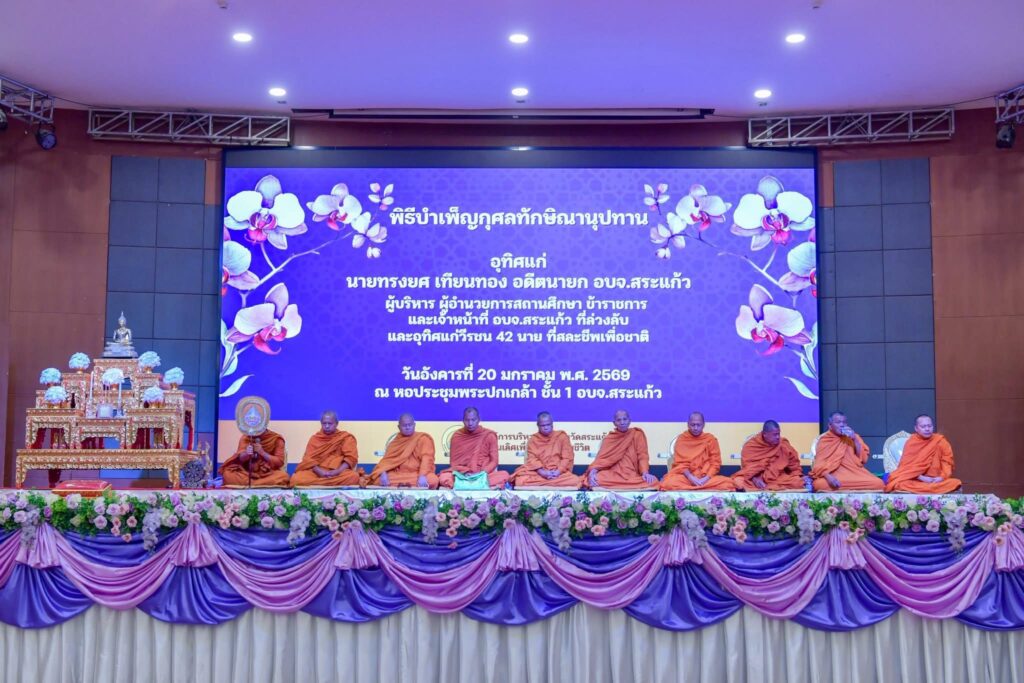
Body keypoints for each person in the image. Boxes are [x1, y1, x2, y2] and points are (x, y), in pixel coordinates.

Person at [884, 415, 962, 494]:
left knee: (955, 482)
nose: (927, 429)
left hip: (935, 480)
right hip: (916, 479)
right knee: (900, 483)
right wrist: (922, 477)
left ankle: (930, 488)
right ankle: (931, 489)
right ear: (916, 428)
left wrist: (941, 477)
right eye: (923, 426)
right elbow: (906, 467)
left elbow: (947, 463)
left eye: (929, 426)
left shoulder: (941, 441)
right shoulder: (911, 443)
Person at [583, 410, 659, 490]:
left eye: (625, 419)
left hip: (631, 475)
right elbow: (601, 460)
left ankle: (621, 486)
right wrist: (592, 473)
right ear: (614, 423)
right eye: (619, 420)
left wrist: (645, 473)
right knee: (596, 479)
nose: (622, 422)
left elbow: (642, 456)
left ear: (629, 421)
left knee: (653, 481)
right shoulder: (609, 439)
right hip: (612, 475)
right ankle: (629, 486)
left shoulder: (637, 435)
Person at [660, 412, 736, 491]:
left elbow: (715, 463)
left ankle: (694, 488)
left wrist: (705, 479)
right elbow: (680, 464)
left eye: (698, 425)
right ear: (688, 424)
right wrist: (691, 478)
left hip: (705, 478)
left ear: (703, 425)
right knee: (668, 483)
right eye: (693, 425)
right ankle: (701, 488)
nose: (695, 428)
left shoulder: (710, 439)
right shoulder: (682, 439)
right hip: (686, 478)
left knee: (728, 483)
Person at [810, 412, 884, 492]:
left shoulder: (854, 437)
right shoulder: (825, 440)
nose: (842, 425)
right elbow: (819, 464)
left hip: (854, 473)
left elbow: (863, 459)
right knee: (819, 484)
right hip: (834, 474)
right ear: (830, 425)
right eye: (838, 422)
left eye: (844, 422)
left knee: (878, 483)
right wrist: (828, 477)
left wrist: (854, 439)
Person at [438, 407, 510, 489]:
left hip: (481, 475)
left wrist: (482, 473)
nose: (470, 423)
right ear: (463, 420)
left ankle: (463, 486)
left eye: (473, 420)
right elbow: (453, 463)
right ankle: (481, 486)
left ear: (478, 420)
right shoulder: (457, 436)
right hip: (462, 475)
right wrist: (464, 472)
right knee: (444, 477)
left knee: (504, 475)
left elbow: (494, 461)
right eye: (467, 420)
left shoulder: (489, 436)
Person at [364, 413, 438, 488]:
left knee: (432, 480)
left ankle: (401, 484)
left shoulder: (423, 439)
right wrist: (383, 473)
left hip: (417, 473)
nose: (407, 427)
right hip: (398, 474)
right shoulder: (395, 443)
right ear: (399, 427)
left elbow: (427, 459)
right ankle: (407, 484)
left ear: (414, 425)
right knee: (378, 480)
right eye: (404, 425)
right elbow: (386, 462)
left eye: (410, 425)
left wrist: (422, 476)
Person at [511, 412, 581, 489]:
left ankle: (542, 484)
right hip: (540, 473)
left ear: (552, 424)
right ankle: (551, 483)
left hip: (558, 473)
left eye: (548, 425)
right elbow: (532, 459)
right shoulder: (533, 440)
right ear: (538, 426)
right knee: (520, 480)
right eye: (543, 425)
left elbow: (567, 458)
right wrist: (542, 472)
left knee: (575, 480)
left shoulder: (562, 437)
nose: (546, 428)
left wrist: (558, 471)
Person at [289, 411, 360, 487]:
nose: (327, 426)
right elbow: (308, 459)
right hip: (316, 472)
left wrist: (337, 471)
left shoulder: (345, 438)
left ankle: (320, 483)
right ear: (321, 423)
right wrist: (320, 472)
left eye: (330, 423)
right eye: (324, 423)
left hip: (338, 472)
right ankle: (329, 483)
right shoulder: (315, 439)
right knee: (296, 479)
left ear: (336, 424)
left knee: (353, 476)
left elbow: (350, 459)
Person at [733, 420, 806, 491]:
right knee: (738, 482)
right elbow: (747, 468)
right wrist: (754, 479)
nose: (778, 437)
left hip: (777, 478)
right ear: (765, 434)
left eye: (778, 434)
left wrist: (798, 476)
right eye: (775, 434)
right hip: (755, 478)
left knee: (797, 482)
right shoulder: (751, 446)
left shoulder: (783, 444)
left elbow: (794, 465)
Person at [220, 426, 290, 487]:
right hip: (247, 473)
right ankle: (257, 484)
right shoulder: (246, 437)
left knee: (283, 476)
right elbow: (239, 459)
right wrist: (247, 454)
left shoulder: (276, 438)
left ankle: (252, 484)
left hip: (267, 474)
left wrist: (263, 453)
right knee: (227, 474)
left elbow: (279, 462)